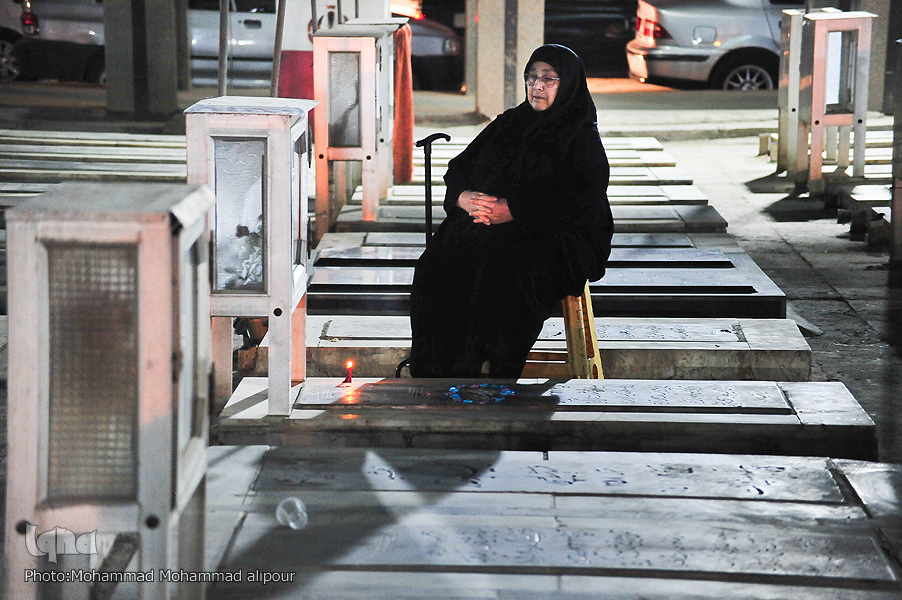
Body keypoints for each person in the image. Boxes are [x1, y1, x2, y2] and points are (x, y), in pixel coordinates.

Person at [409, 44, 614, 378]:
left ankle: (495, 368)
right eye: (532, 77)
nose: (537, 86)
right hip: (499, 224)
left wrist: (515, 210)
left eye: (549, 79)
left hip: (562, 234)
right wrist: (465, 198)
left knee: (507, 271)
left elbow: (579, 198)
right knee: (439, 260)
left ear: (569, 84)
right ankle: (440, 368)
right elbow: (460, 166)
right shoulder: (512, 122)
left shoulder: (580, 135)